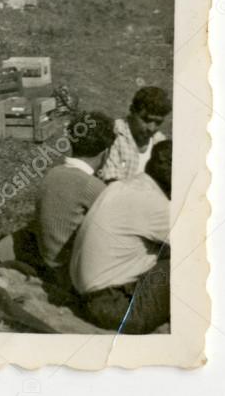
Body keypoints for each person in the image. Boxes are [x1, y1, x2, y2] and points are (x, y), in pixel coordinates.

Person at [71, 140, 172, 333]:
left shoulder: (121, 186)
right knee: (186, 260)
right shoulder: (154, 203)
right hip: (116, 306)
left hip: (85, 296)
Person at [34, 112, 115, 286]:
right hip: (67, 273)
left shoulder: (52, 173)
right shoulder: (92, 186)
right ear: (105, 153)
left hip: (45, 258)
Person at [98, 86, 171, 183]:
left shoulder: (159, 141)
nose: (151, 128)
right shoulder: (115, 134)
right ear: (132, 111)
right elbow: (112, 185)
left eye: (158, 123)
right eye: (146, 120)